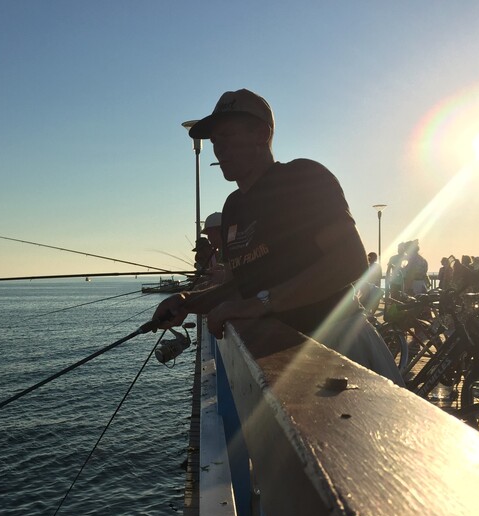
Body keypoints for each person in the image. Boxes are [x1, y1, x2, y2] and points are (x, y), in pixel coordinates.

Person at [152, 88, 403, 385]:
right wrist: (187, 301)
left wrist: (261, 304)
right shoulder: (233, 207)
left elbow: (350, 261)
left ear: (261, 133)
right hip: (279, 357)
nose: (219, 148)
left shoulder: (302, 178)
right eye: (215, 140)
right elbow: (237, 287)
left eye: (227, 136)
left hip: (341, 343)